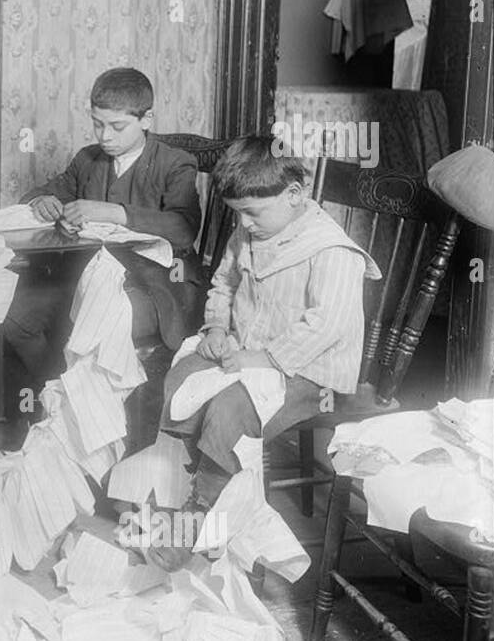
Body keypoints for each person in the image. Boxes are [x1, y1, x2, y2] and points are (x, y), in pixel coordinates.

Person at [147, 135, 381, 570]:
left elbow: (326, 326)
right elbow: (225, 283)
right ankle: (198, 477)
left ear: (294, 194)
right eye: (239, 214)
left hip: (310, 372)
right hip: (251, 352)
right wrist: (217, 326)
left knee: (231, 406)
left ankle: (201, 514)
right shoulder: (250, 233)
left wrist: (265, 360)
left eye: (253, 213)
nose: (246, 224)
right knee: (184, 375)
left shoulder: (331, 250)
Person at [2, 67, 204, 432]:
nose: (105, 136)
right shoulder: (88, 160)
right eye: (97, 124)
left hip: (158, 287)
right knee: (17, 319)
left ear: (146, 120)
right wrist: (44, 201)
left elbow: (184, 230)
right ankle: (63, 403)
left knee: (92, 322)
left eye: (116, 126)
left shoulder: (175, 164)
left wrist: (115, 213)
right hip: (86, 277)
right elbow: (34, 195)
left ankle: (96, 429)